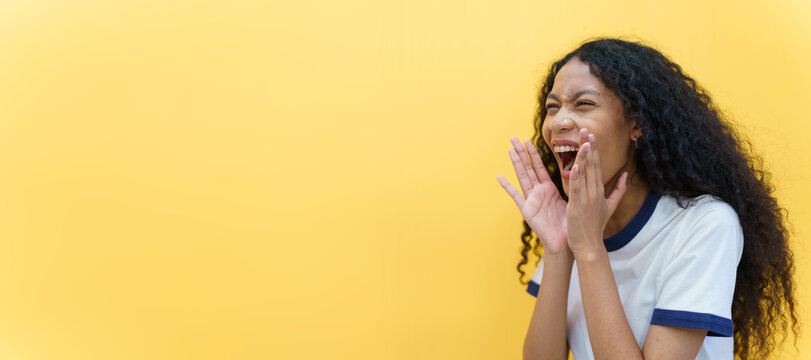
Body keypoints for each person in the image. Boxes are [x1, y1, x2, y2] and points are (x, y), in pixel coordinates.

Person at [496, 37, 797, 360]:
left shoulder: (705, 224)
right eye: (552, 107)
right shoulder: (574, 222)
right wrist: (558, 249)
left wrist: (589, 250)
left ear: (636, 124)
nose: (558, 122)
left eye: (583, 104)